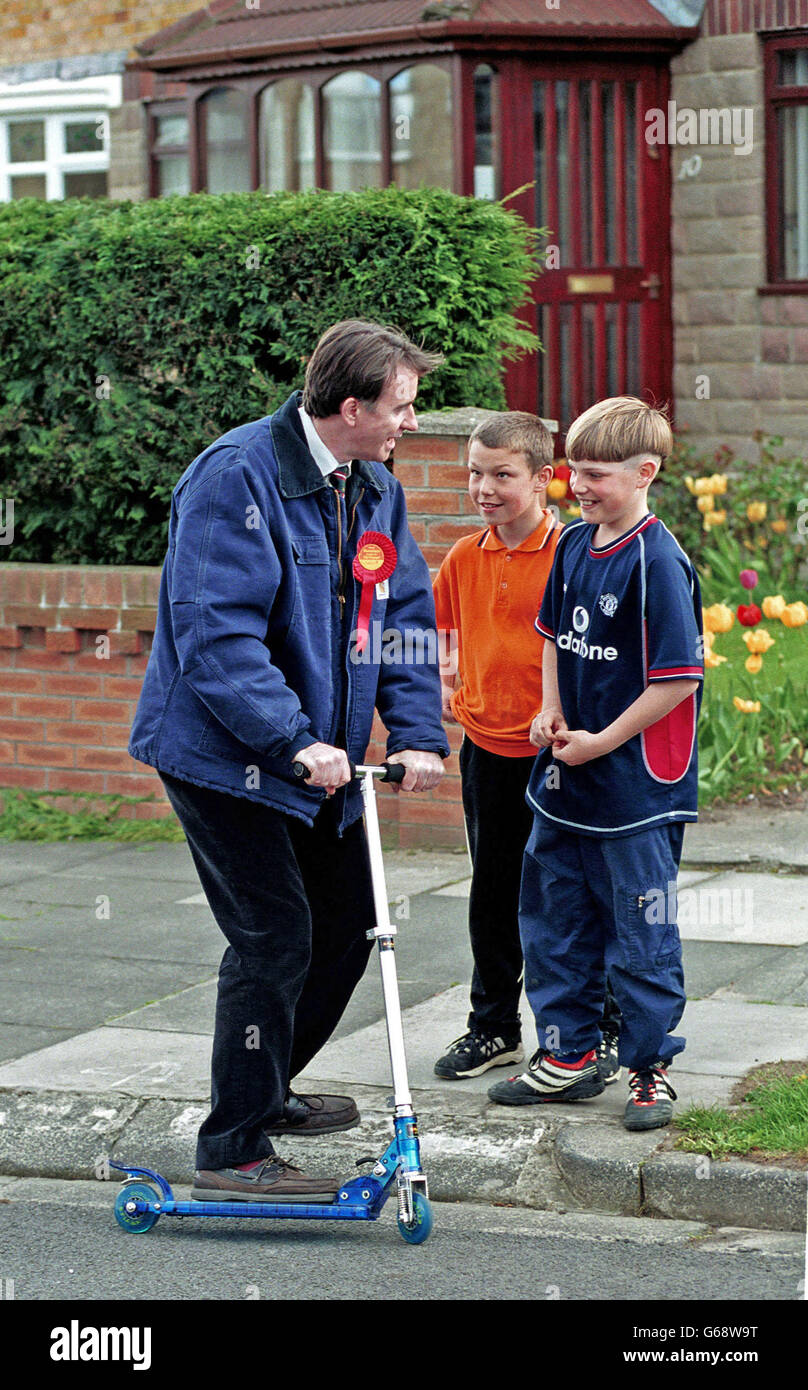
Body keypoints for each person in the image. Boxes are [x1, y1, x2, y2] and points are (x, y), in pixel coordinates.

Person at [129, 319, 449, 1201]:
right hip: (227, 757)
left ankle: (263, 1090)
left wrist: (418, 733)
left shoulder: (375, 488)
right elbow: (215, 637)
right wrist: (294, 742)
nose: (410, 424)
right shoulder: (236, 477)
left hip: (322, 761)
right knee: (275, 934)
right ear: (350, 407)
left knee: (349, 924)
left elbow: (406, 618)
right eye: (402, 407)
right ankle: (232, 1146)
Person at [487, 397, 703, 1131]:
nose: (579, 485)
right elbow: (553, 634)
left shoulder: (659, 562)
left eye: (597, 474)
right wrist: (550, 710)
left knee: (641, 932)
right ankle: (568, 1056)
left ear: (646, 473)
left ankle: (650, 1070)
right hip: (563, 778)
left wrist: (602, 741)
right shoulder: (575, 544)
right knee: (553, 922)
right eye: (574, 471)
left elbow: (676, 680)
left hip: (635, 787)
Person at [431, 412, 622, 1084]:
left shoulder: (575, 553)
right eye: (476, 473)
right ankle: (494, 1029)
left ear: (545, 478)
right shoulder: (461, 557)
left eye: (502, 475)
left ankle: (592, 1028)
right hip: (487, 750)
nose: (484, 487)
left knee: (569, 894)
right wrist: (456, 692)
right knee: (494, 892)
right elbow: (445, 639)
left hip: (559, 757)